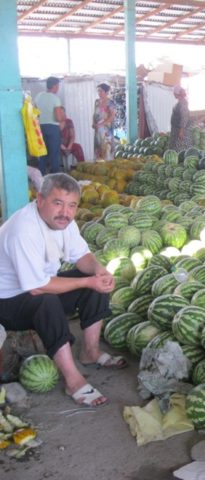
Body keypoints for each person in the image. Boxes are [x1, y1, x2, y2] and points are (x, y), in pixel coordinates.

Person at [0, 173, 126, 407]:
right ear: (40, 200)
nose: (65, 212)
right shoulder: (23, 229)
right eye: (57, 203)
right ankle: (73, 380)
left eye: (71, 206)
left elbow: (82, 257)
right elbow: (38, 288)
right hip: (6, 301)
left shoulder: (64, 223)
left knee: (92, 278)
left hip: (38, 287)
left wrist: (99, 271)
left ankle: (90, 352)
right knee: (47, 301)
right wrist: (86, 282)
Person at [34, 76, 64, 175]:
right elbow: (58, 118)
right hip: (53, 128)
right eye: (58, 86)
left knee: (42, 153)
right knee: (54, 154)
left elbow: (34, 112)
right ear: (55, 86)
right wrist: (63, 119)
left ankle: (41, 177)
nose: (58, 88)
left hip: (40, 128)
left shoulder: (39, 96)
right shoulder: (55, 98)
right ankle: (55, 177)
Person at [93, 83, 116, 161]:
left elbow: (112, 116)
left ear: (106, 92)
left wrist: (102, 124)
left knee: (106, 149)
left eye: (101, 91)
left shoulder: (110, 102)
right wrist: (93, 123)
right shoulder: (97, 102)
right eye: (98, 91)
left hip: (106, 131)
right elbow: (95, 114)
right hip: (97, 130)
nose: (99, 93)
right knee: (98, 149)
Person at [169, 85, 192, 151]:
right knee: (177, 148)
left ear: (177, 93)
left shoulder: (183, 102)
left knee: (180, 148)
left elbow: (184, 116)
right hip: (177, 129)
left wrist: (181, 130)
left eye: (174, 93)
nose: (173, 94)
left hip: (180, 129)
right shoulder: (180, 101)